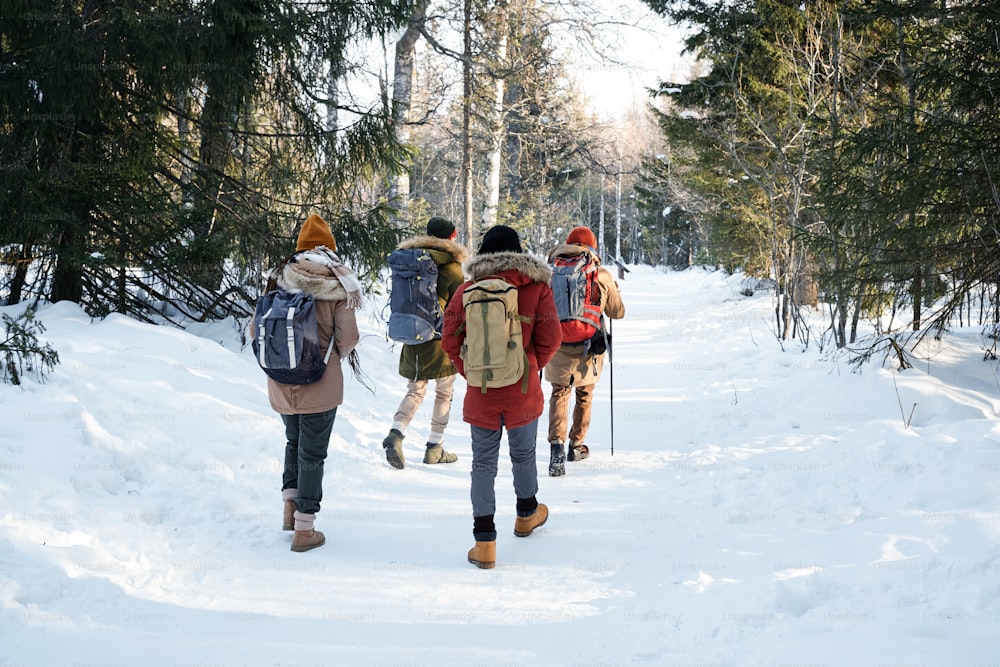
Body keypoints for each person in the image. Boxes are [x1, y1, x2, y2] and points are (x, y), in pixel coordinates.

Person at [441, 224, 562, 569]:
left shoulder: (467, 289)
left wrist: (472, 372)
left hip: (482, 393)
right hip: (523, 390)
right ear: (518, 251)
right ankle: (526, 514)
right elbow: (552, 337)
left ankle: (484, 544)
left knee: (483, 464)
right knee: (523, 454)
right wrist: (531, 364)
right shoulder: (536, 286)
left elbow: (449, 340)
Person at [259, 213, 361, 552]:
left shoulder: (277, 277)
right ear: (328, 248)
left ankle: (290, 508)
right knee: (312, 453)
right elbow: (348, 339)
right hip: (320, 383)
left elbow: (254, 330)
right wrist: (327, 355)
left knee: (293, 442)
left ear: (300, 248)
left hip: (281, 379)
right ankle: (305, 530)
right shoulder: (336, 284)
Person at [382, 216, 468, 469]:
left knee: (415, 390)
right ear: (451, 237)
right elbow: (459, 308)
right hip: (441, 340)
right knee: (444, 393)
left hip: (413, 334)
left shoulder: (411, 261)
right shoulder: (452, 268)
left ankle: (396, 433)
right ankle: (434, 447)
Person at [545, 225, 625, 477]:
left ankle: (556, 446)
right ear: (592, 247)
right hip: (588, 346)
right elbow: (617, 312)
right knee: (584, 394)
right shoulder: (600, 274)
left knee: (560, 392)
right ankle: (576, 445)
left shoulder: (549, 272)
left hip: (556, 343)